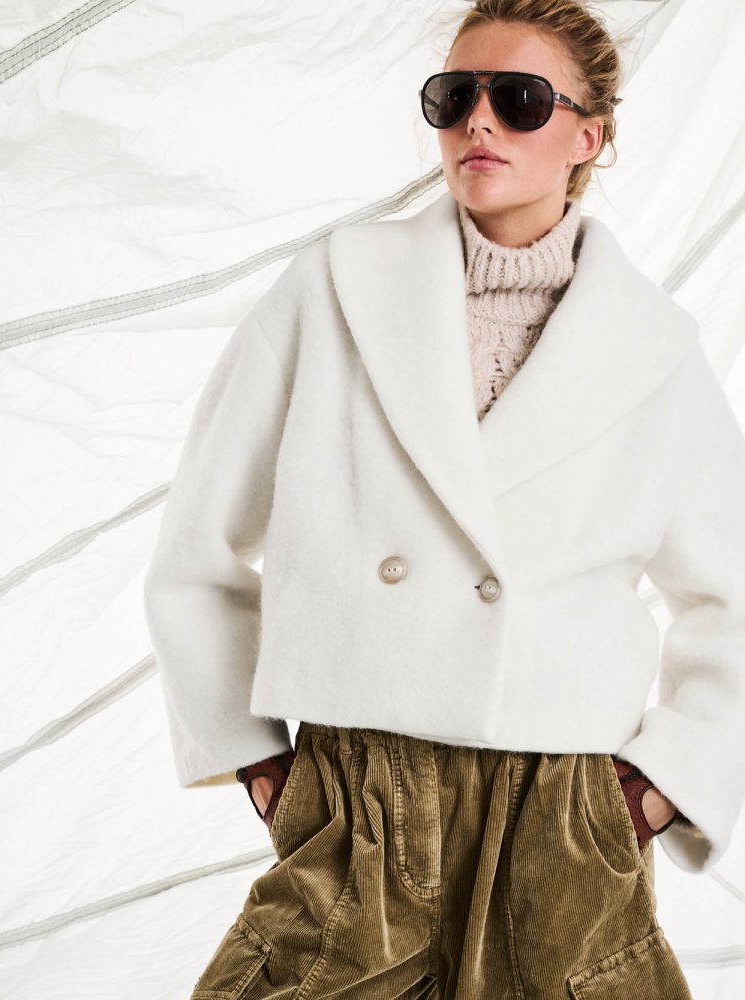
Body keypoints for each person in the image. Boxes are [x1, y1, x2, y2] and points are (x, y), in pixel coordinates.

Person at [143, 1, 745, 997]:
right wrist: (260, 765)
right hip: (360, 789)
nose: (479, 121)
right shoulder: (333, 287)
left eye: (520, 100)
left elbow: (732, 595)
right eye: (453, 95)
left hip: (561, 804)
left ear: (588, 136)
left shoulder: (654, 347)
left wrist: (656, 787)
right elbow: (198, 543)